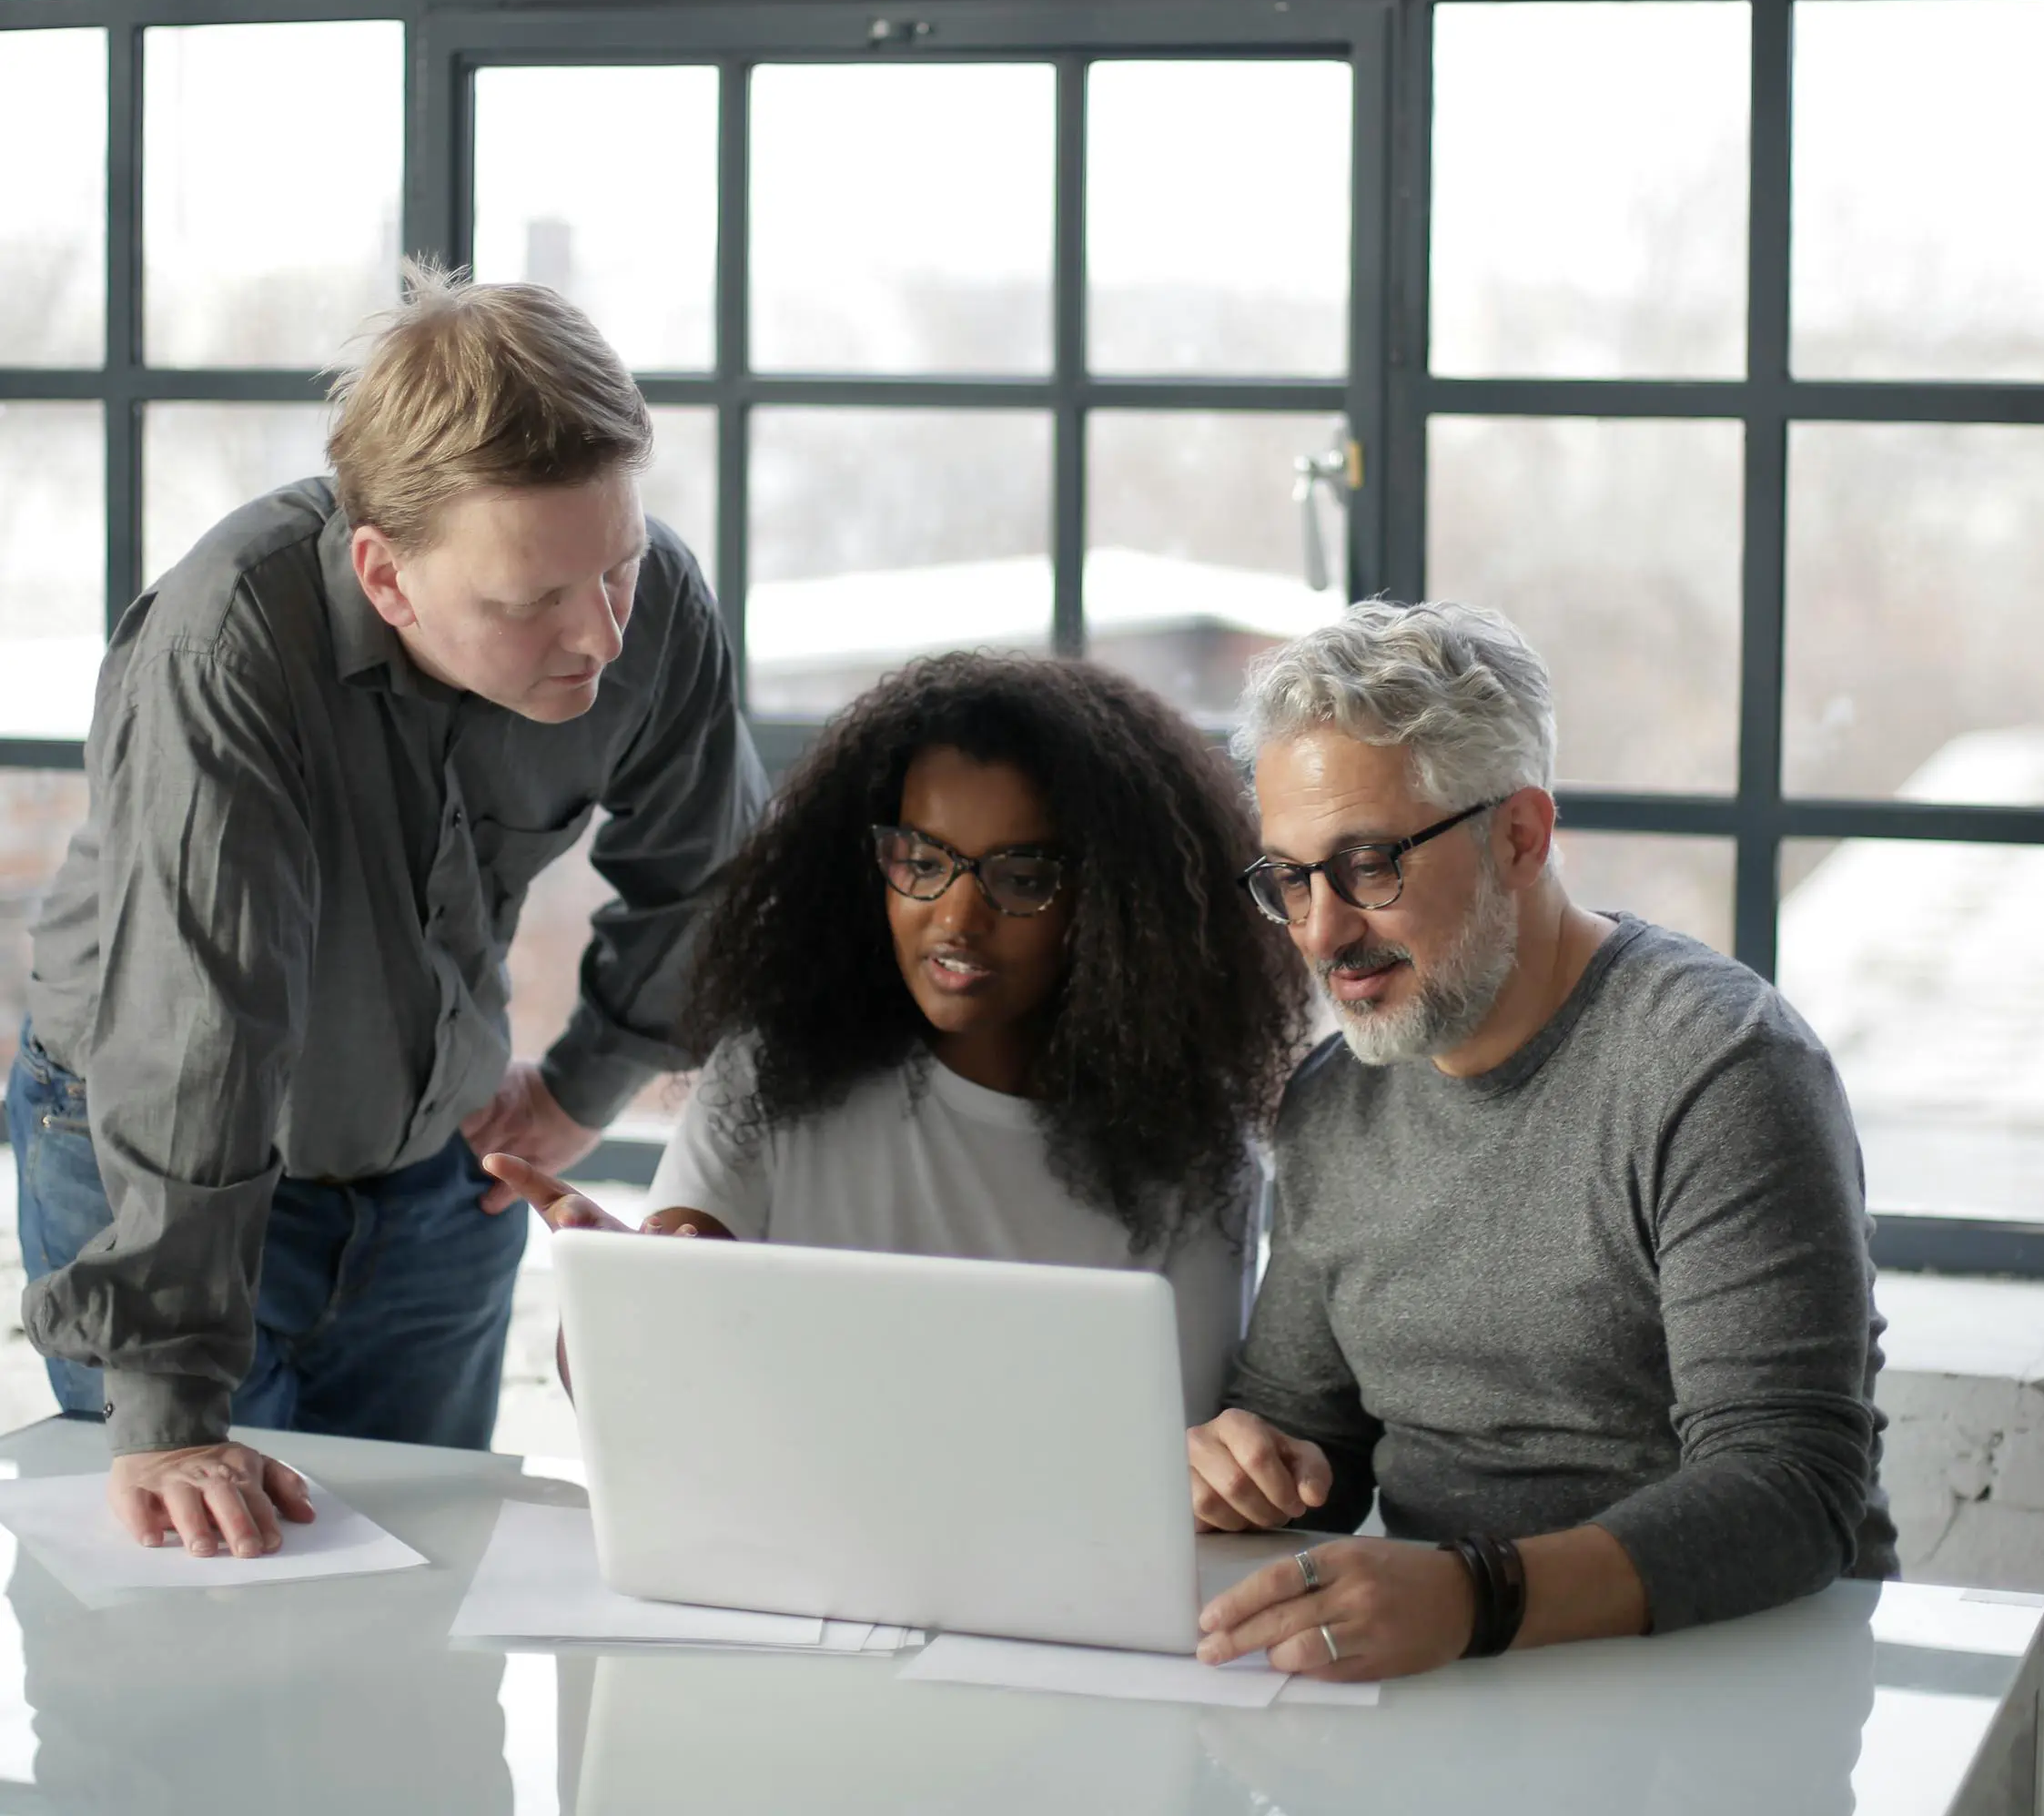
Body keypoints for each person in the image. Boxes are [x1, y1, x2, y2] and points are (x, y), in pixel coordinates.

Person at [10, 265, 767, 1559]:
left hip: (437, 1173)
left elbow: (709, 874)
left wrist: (589, 1082)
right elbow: (203, 1026)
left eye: (619, 568)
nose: (598, 634)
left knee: (427, 1620)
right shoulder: (228, 644)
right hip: (161, 1160)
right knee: (201, 1638)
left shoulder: (646, 605)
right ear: (387, 575)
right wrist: (170, 1404)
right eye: (529, 602)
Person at [1189, 600, 1897, 1683]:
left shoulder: (1719, 1067)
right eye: (1289, 879)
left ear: (1520, 835)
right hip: (1462, 1669)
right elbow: (1308, 1444)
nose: (1322, 933)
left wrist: (1477, 1593)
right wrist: (1247, 1470)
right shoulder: (1334, 1101)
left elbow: (1790, 1487)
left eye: (1369, 865)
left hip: (1742, 1673)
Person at [489, 650, 1308, 1418]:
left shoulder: (1195, 1148)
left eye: (1021, 879)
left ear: (1117, 909)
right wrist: (618, 1299)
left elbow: (1188, 1457)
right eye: (920, 864)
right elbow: (646, 1389)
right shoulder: (768, 1078)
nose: (955, 919)